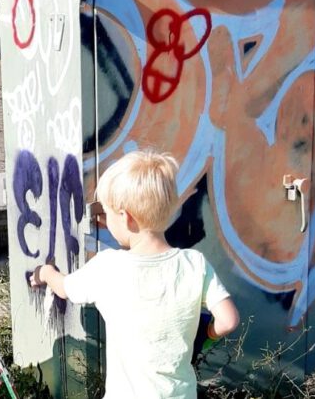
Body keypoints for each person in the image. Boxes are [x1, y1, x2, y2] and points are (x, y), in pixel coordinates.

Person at [29, 150, 239, 398]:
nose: (104, 220)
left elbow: (64, 288)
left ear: (126, 217)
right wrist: (207, 335)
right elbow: (228, 321)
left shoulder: (108, 267)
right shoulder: (194, 263)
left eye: (106, 213)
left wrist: (45, 272)